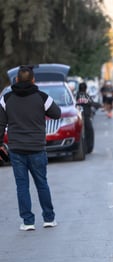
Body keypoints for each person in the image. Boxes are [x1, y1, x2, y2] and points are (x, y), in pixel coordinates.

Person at [0, 65, 61, 231]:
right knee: (42, 183)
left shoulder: (6, 99)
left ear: (17, 79)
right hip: (37, 148)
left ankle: (28, 222)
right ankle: (49, 218)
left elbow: (1, 124)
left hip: (16, 150)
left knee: (22, 186)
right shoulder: (42, 97)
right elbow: (57, 113)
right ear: (34, 80)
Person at [76, 82, 95, 153]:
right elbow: (92, 103)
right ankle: (88, 148)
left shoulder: (76, 96)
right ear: (86, 89)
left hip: (78, 117)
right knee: (89, 131)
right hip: (85, 117)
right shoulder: (87, 96)